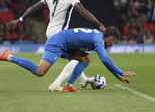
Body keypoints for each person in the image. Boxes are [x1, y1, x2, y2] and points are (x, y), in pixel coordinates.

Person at [7, 0, 105, 91]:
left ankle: (82, 79)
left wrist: (20, 19)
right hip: (60, 35)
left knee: (81, 57)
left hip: (50, 32)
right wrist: (99, 23)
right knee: (43, 70)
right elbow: (82, 11)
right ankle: (57, 84)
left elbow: (34, 7)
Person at [0, 26, 136, 92]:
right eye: (113, 42)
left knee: (86, 58)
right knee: (40, 72)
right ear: (110, 39)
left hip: (66, 44)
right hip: (58, 43)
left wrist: (118, 76)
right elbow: (105, 60)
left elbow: (105, 60)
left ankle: (68, 86)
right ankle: (9, 56)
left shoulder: (98, 36)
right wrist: (121, 72)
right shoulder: (98, 40)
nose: (112, 45)